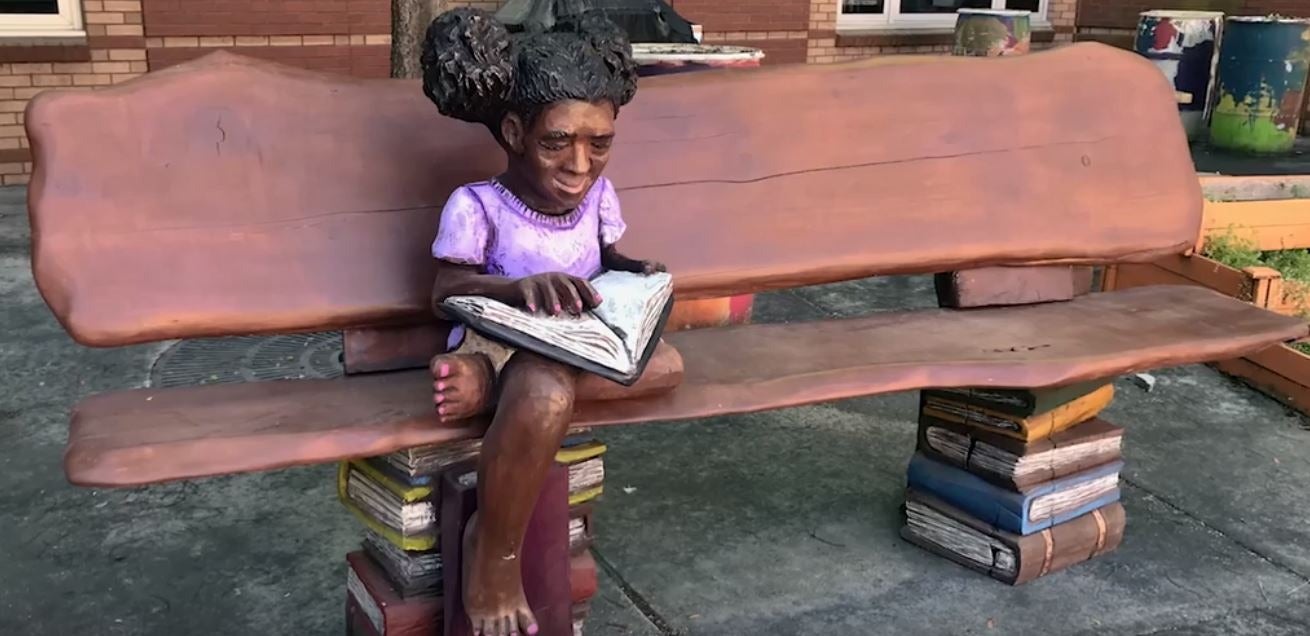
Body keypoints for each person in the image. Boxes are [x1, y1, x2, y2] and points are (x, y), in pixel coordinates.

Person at [420, 8, 665, 636]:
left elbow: (608, 258)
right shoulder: (478, 206)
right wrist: (515, 286)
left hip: (577, 336)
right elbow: (445, 291)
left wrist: (635, 272)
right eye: (557, 142)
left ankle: (486, 391)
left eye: (599, 144)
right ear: (514, 132)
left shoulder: (599, 199)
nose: (580, 166)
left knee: (666, 365)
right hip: (502, 338)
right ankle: (493, 554)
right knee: (544, 391)